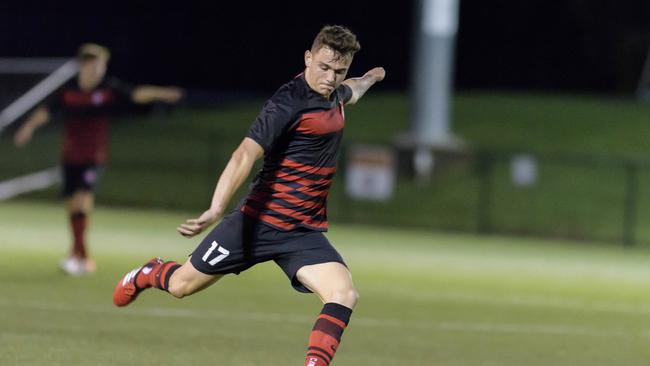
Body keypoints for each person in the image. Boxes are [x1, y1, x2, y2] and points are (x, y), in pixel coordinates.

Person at [112, 25, 385, 366]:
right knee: (182, 286)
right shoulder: (287, 102)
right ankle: (148, 273)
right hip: (254, 223)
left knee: (344, 294)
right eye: (324, 67)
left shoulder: (335, 93)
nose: (330, 77)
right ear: (308, 57)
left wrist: (371, 76)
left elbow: (352, 90)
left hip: (301, 232)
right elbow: (244, 153)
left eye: (339, 71)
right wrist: (216, 208)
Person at [14, 43, 184, 275]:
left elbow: (135, 94)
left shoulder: (108, 89)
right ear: (83, 66)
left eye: (101, 65)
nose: (97, 70)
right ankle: (79, 255)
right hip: (70, 156)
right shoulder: (68, 91)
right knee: (73, 206)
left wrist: (162, 93)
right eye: (93, 65)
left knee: (82, 200)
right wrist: (28, 127)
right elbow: (46, 110)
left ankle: (81, 258)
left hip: (93, 156)